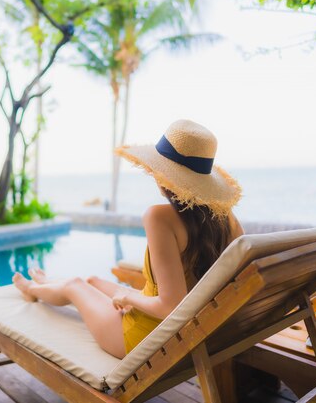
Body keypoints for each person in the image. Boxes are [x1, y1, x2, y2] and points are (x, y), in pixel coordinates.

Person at [12, 119, 244, 359]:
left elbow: (170, 307)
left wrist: (128, 297)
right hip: (188, 330)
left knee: (74, 285)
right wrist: (136, 299)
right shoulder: (227, 220)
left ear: (163, 174)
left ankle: (33, 290)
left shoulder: (159, 217)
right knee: (90, 280)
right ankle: (46, 285)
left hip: (145, 337)